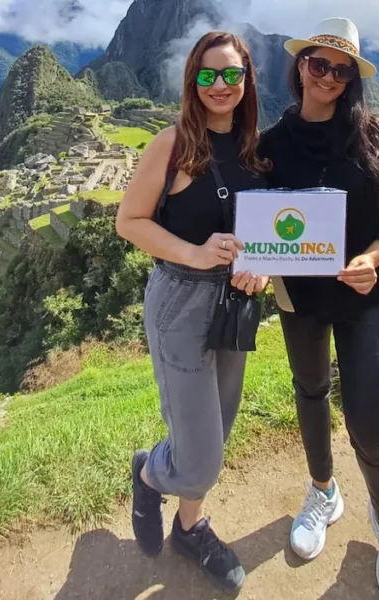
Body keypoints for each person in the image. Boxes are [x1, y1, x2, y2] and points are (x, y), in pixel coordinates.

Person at [257, 17, 379, 600]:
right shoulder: (273, 145)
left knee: (371, 427)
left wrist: (372, 260)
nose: (327, 75)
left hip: (364, 297)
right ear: (300, 67)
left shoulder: (374, 138)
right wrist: (254, 255)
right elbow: (259, 221)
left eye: (340, 68)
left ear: (351, 78)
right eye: (318, 63)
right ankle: (324, 491)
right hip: (301, 296)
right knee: (309, 393)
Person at [115, 30, 270, 594]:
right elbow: (129, 222)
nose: (221, 85)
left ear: (248, 78)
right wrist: (197, 253)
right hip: (181, 298)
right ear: (193, 81)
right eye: (208, 75)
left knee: (218, 427)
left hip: (235, 303)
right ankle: (151, 470)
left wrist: (262, 266)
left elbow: (266, 234)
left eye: (232, 74)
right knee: (199, 453)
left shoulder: (257, 147)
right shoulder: (174, 142)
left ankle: (189, 525)